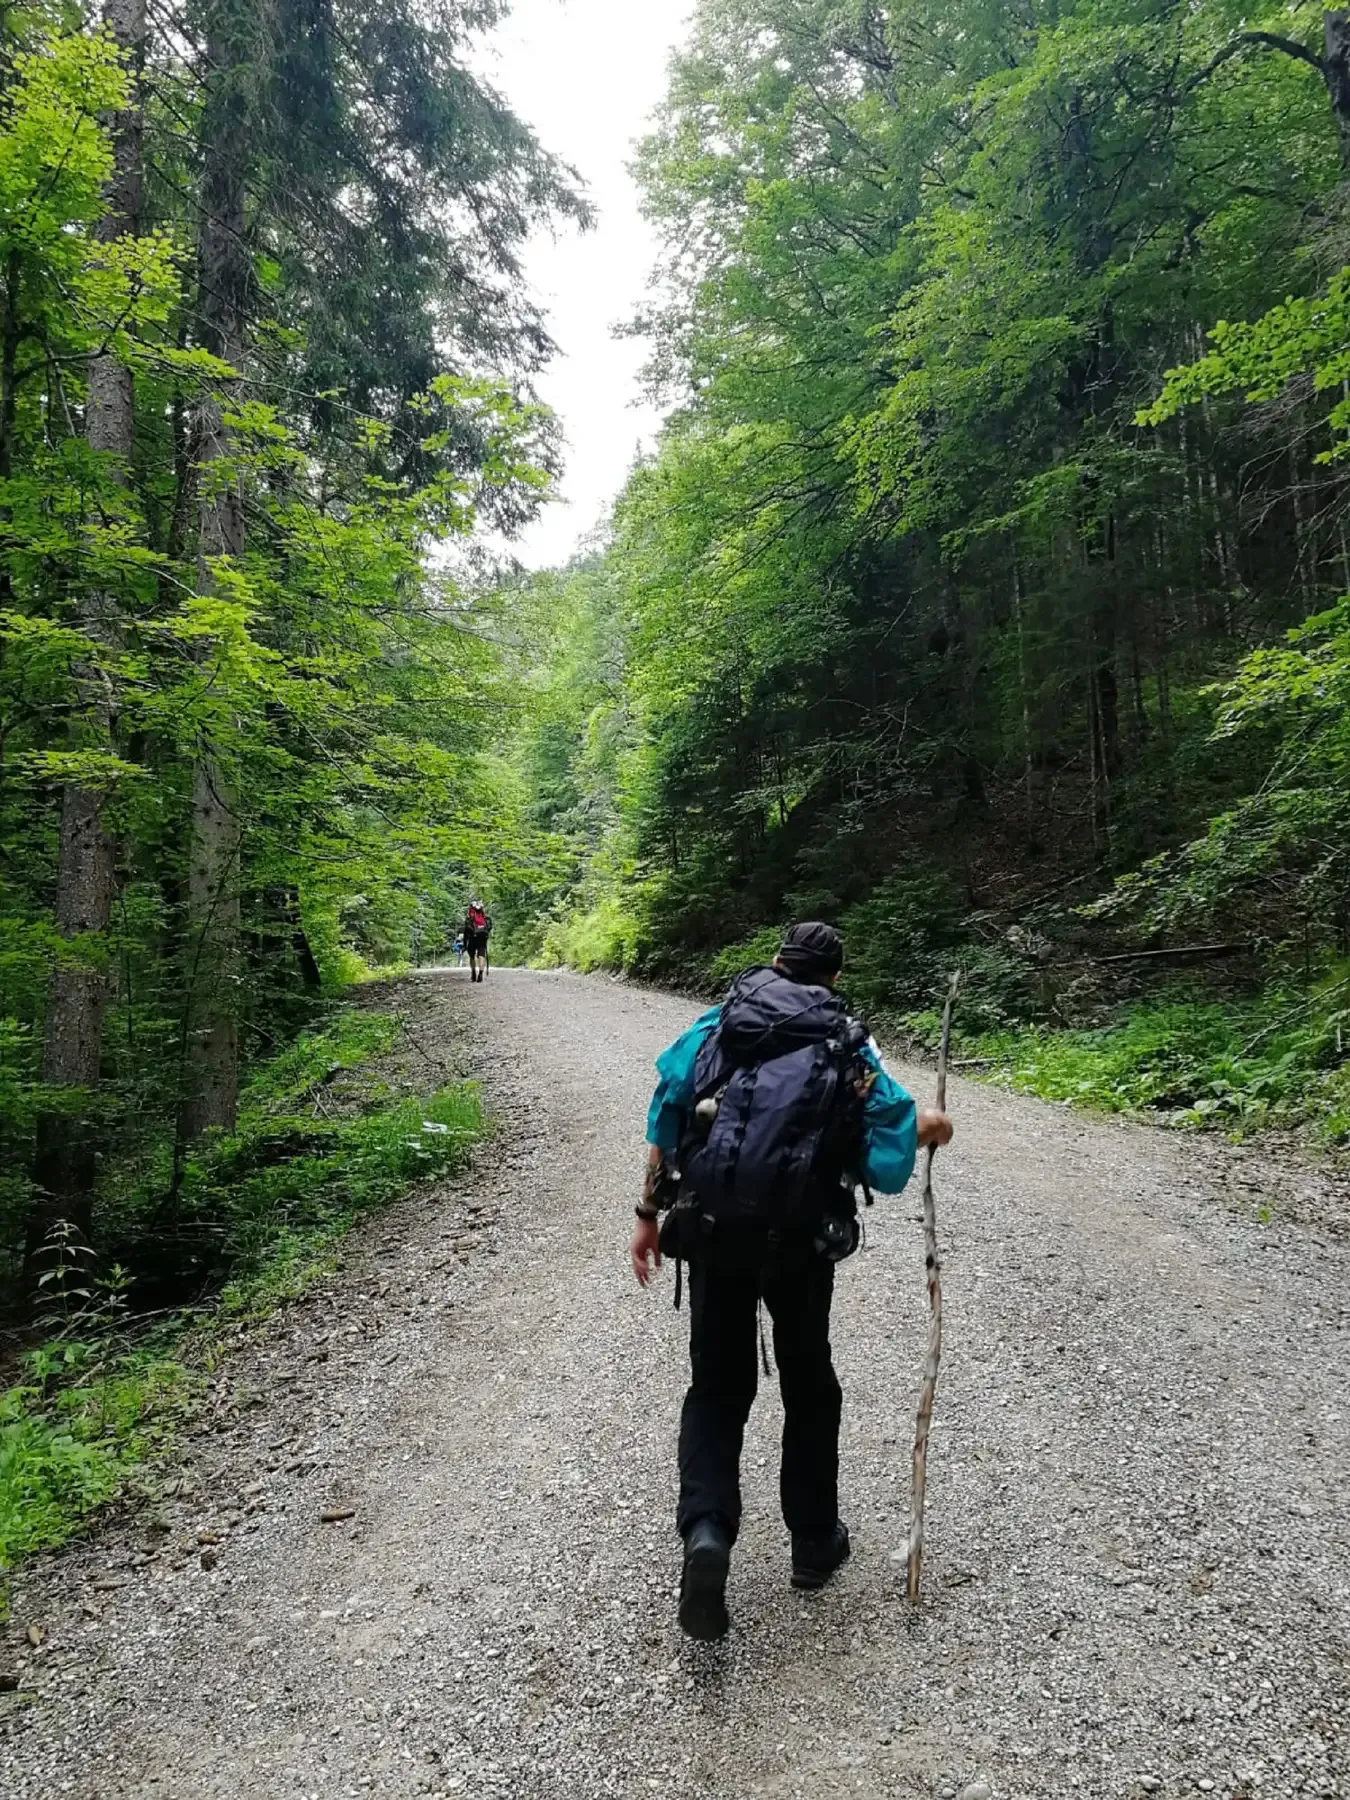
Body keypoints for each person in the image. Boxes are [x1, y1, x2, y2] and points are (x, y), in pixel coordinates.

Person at [631, 921, 953, 1642]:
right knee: (810, 1386)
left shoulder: (720, 1023)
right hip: (802, 1243)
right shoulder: (849, 1041)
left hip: (712, 1233)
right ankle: (813, 1543)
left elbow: (667, 1112)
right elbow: (890, 1163)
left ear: (776, 963)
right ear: (834, 976)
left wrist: (646, 1215)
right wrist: (928, 1128)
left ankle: (708, 1533)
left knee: (717, 1389)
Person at [462, 900, 492, 982]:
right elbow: (488, 929)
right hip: (482, 938)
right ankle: (481, 974)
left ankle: (473, 973)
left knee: (472, 957)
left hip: (472, 938)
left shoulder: (469, 919)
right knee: (481, 956)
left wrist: (464, 945)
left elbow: (465, 933)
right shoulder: (485, 918)